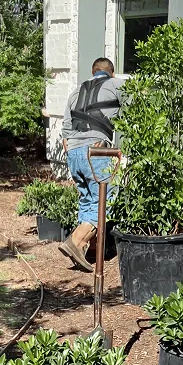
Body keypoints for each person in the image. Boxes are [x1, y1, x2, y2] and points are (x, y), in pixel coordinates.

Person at [59, 57, 122, 272]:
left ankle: (88, 250)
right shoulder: (115, 85)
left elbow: (66, 128)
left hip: (74, 153)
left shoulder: (76, 91)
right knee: (106, 198)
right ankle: (76, 241)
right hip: (95, 151)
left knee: (87, 199)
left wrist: (73, 149)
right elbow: (135, 113)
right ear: (111, 73)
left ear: (93, 72)